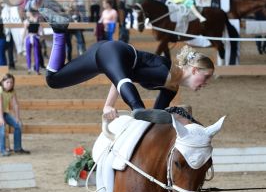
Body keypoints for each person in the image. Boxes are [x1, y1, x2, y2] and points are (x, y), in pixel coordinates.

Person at [38, 8, 214, 124]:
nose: (205, 83)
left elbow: (154, 117)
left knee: (54, 80)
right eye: (205, 76)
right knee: (138, 108)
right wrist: (111, 105)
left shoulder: (172, 88)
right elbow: (124, 77)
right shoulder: (165, 73)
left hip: (103, 56)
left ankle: (59, 31)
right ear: (194, 70)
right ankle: (136, 107)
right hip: (114, 52)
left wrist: (177, 115)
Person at [0, 73, 30, 156]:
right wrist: (1, 118)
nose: (9, 84)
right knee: (2, 130)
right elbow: (0, 105)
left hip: (3, 113)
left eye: (11, 82)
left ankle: (17, 148)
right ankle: (2, 151)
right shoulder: (0, 90)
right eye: (7, 82)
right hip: (0, 113)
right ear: (2, 82)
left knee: (18, 125)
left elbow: (15, 104)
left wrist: (18, 118)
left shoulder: (12, 91)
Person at [22, 9, 42, 74]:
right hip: (35, 37)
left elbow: (24, 31)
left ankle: (29, 68)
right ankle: (37, 70)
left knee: (29, 54)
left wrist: (22, 39)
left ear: (30, 13)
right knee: (36, 54)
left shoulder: (26, 21)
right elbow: (40, 32)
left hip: (29, 37)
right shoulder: (38, 21)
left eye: (28, 12)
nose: (27, 13)